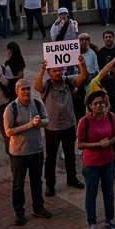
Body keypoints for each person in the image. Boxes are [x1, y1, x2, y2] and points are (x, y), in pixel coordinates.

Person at [3, 79, 53, 225]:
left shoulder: (37, 103)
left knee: (37, 181)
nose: (26, 92)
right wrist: (30, 125)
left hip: (36, 150)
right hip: (19, 153)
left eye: (28, 89)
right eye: (23, 89)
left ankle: (38, 207)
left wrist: (40, 122)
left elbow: (46, 120)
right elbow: (8, 131)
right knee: (18, 184)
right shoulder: (11, 108)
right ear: (17, 91)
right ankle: (19, 212)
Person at [36, 58, 88, 196]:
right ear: (49, 72)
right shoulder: (46, 85)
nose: (58, 73)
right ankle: (50, 184)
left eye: (60, 70)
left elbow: (81, 78)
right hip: (52, 126)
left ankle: (72, 178)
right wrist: (41, 70)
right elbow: (37, 87)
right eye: (54, 71)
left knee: (70, 154)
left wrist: (82, 65)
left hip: (68, 124)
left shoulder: (68, 81)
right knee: (51, 157)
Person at [76, 90, 115, 229]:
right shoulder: (85, 122)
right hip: (91, 164)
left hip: (108, 161)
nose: (99, 105)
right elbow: (80, 144)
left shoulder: (111, 117)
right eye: (96, 103)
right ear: (90, 106)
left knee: (109, 191)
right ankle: (92, 222)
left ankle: (110, 218)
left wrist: (109, 142)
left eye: (101, 102)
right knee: (91, 193)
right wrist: (97, 144)